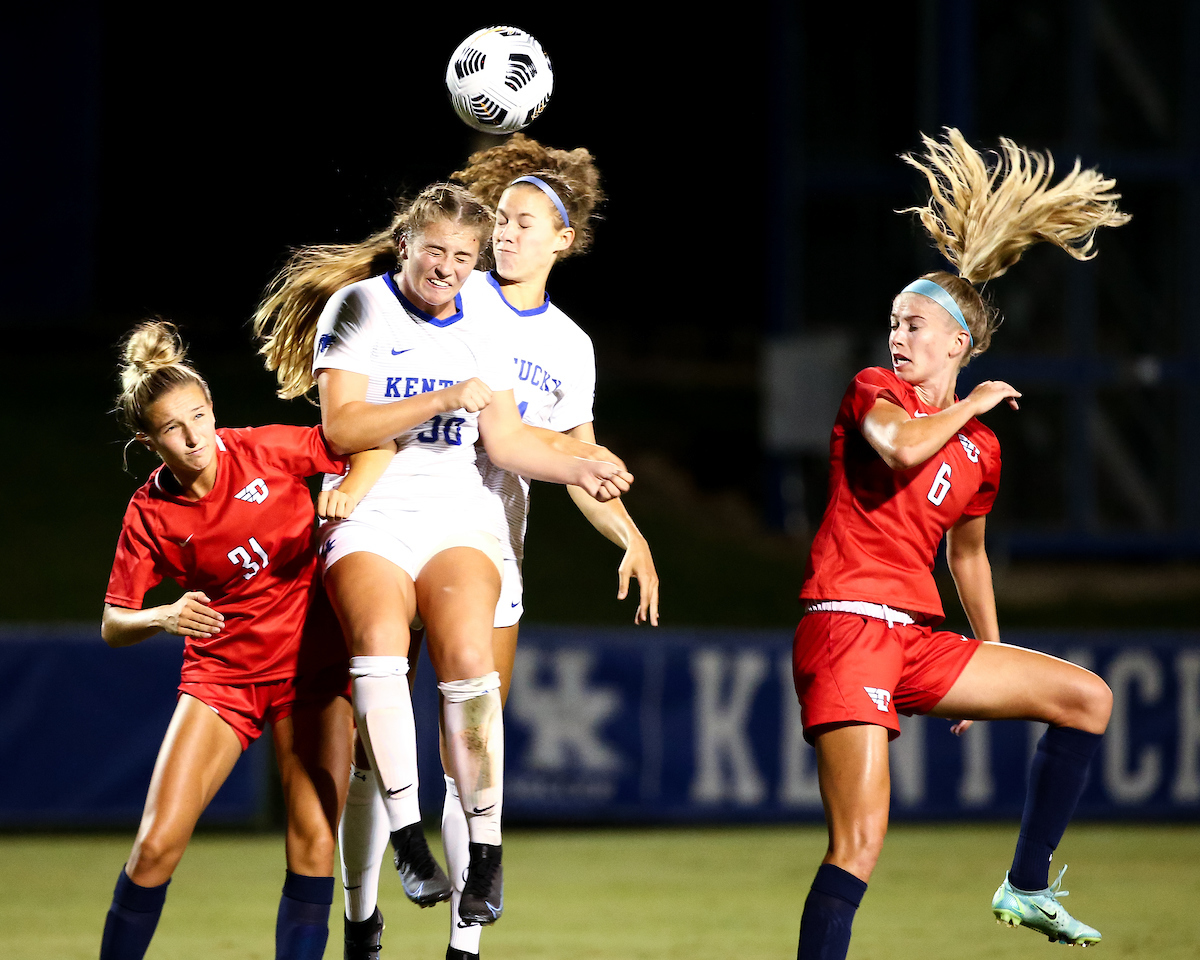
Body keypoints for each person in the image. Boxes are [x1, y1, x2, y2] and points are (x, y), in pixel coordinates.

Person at [253, 182, 632, 959]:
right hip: (379, 510)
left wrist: (582, 466)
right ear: (406, 244)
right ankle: (399, 848)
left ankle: (481, 866)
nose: (452, 268)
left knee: (469, 670)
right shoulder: (359, 307)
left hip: (464, 514)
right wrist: (440, 396)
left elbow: (509, 443)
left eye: (465, 256)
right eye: (439, 252)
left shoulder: (489, 330)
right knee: (379, 655)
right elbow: (343, 425)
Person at [793, 129, 1129, 958]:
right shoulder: (877, 393)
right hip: (846, 626)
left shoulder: (982, 450)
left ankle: (1025, 882)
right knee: (860, 843)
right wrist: (973, 403)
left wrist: (986, 650)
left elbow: (967, 555)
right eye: (894, 323)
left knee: (1088, 699)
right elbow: (904, 447)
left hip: (915, 639)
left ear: (958, 342)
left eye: (913, 325)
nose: (897, 337)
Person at [332, 134, 663, 960]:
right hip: (393, 522)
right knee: (374, 752)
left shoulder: (566, 345)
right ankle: (362, 917)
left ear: (565, 239)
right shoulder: (453, 293)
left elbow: (561, 452)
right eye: (501, 220)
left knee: (467, 746)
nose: (507, 234)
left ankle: (462, 946)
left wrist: (631, 532)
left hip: (484, 543)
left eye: (524, 221)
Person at [99, 320, 380, 960]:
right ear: (148, 440)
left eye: (200, 416)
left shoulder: (264, 451)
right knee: (155, 846)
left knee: (312, 841)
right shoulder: (150, 515)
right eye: (174, 428)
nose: (195, 437)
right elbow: (115, 622)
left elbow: (365, 443)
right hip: (221, 678)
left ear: (214, 410)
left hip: (311, 667)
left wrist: (354, 497)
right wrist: (162, 616)